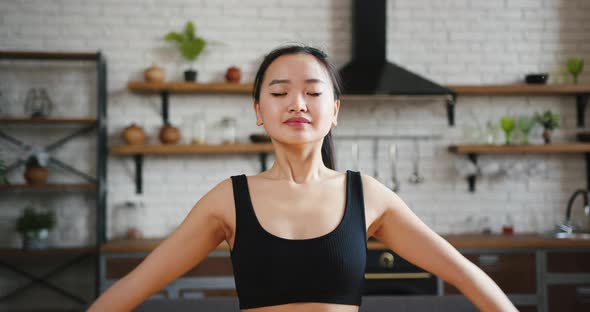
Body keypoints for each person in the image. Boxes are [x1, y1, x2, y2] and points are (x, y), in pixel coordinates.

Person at [88, 45, 517, 312]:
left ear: (334, 111)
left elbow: (462, 273)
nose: (297, 103)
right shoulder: (228, 199)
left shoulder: (366, 195)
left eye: (313, 92)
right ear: (259, 111)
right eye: (279, 93)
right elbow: (133, 288)